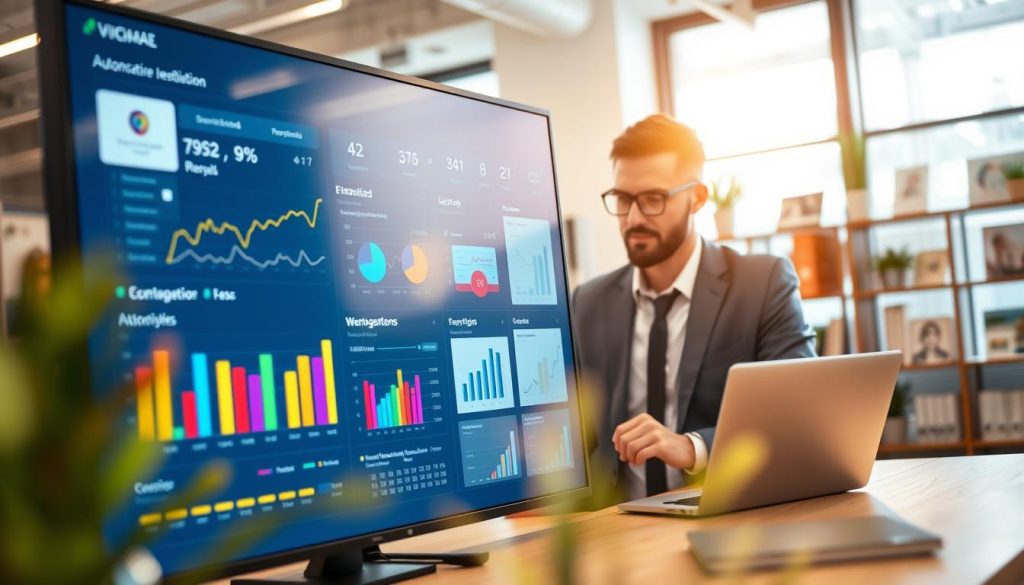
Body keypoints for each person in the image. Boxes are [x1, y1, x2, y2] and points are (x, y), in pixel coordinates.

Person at [572, 114, 816, 504]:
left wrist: (692, 447)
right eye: (622, 199)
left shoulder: (762, 283)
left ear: (697, 198)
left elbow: (799, 410)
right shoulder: (588, 302)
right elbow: (575, 439)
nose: (633, 218)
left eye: (653, 199)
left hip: (729, 514)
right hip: (617, 534)